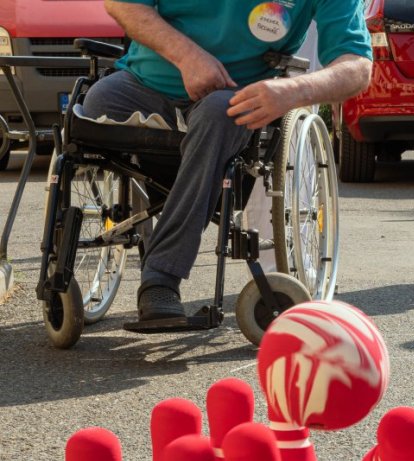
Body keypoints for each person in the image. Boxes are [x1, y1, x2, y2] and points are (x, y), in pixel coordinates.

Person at [84, 0, 372, 321]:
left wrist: (292, 91)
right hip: (144, 83)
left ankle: (161, 276)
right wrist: (188, 56)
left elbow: (357, 65)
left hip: (230, 97)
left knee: (220, 113)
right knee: (94, 103)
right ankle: (65, 263)